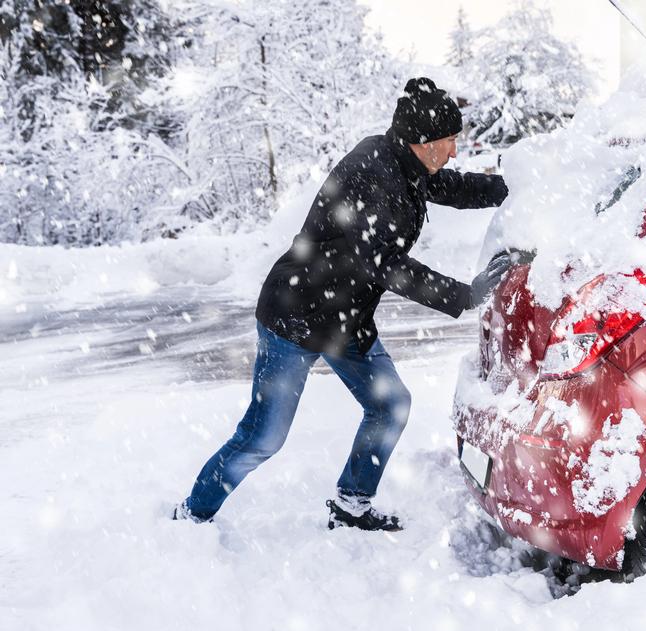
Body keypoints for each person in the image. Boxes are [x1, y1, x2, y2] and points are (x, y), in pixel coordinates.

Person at [174, 77, 512, 531]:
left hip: (345, 318)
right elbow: (387, 264)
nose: (454, 152)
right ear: (423, 141)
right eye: (450, 141)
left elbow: (450, 186)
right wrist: (464, 295)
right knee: (263, 436)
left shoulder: (403, 163)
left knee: (390, 406)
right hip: (296, 316)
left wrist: (511, 188)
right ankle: (192, 515)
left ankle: (352, 503)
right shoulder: (375, 175)